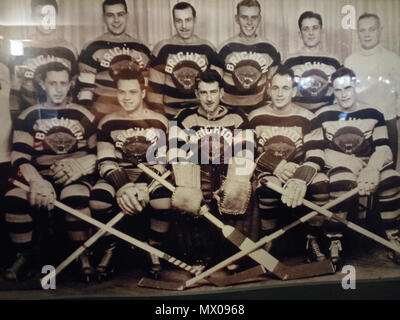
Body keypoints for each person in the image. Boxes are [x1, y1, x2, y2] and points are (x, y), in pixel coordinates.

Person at [291, 67, 400, 267]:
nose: (344, 95)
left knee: (392, 177)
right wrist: (301, 176)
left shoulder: (374, 113)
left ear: (356, 86)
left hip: (368, 170)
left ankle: (393, 238)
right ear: (333, 90)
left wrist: (372, 168)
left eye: (348, 88)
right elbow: (314, 152)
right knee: (343, 177)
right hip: (337, 169)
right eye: (339, 90)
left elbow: (384, 149)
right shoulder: (320, 115)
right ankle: (335, 240)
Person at [3, 62, 97, 282]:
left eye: (63, 83)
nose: (58, 89)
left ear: (71, 85)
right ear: (42, 85)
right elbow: (19, 156)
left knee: (74, 197)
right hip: (39, 176)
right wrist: (36, 181)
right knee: (13, 199)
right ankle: (24, 254)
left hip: (74, 175)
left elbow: (97, 152)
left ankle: (82, 253)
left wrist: (81, 166)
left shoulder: (84, 114)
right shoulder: (29, 115)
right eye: (52, 83)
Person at [89, 56, 171, 281]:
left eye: (132, 92)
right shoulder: (107, 121)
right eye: (122, 92)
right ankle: (110, 247)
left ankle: (153, 249)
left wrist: (145, 188)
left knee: (163, 199)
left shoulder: (159, 121)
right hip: (117, 175)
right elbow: (105, 160)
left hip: (149, 176)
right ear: (117, 93)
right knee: (98, 200)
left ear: (143, 93)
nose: (127, 98)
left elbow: (161, 163)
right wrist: (124, 187)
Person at [168, 68, 253, 271]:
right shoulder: (183, 117)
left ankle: (231, 253)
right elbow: (176, 151)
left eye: (213, 92)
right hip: (197, 170)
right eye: (203, 92)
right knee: (189, 195)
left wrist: (232, 179)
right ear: (196, 93)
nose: (208, 98)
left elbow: (245, 152)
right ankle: (200, 254)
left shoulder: (237, 116)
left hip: (227, 169)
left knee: (236, 190)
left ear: (221, 93)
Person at [248, 65, 329, 263]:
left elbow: (317, 153)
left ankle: (313, 239)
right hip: (268, 171)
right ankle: (270, 239)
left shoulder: (308, 117)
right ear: (269, 89)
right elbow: (246, 154)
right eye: (275, 88)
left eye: (285, 88)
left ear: (294, 90)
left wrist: (300, 177)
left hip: (300, 171)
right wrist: (276, 166)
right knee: (268, 187)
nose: (279, 93)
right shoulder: (254, 117)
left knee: (321, 184)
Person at [77, 0, 151, 120]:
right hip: (102, 117)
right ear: (104, 18)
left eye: (120, 14)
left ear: (127, 15)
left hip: (135, 119)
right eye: (110, 15)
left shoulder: (142, 49)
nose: (116, 20)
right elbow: (85, 92)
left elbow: (146, 91)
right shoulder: (92, 48)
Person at [147, 2, 221, 118]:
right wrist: (162, 120)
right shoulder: (162, 48)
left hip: (200, 116)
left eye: (188, 20)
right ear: (174, 22)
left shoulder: (207, 48)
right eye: (179, 21)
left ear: (195, 20)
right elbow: (154, 93)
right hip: (170, 115)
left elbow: (215, 91)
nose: (184, 26)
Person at [344, 13, 400, 168]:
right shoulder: (350, 61)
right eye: (362, 30)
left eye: (372, 29)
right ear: (358, 33)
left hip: (388, 123)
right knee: (362, 169)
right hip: (361, 123)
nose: (367, 34)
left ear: (380, 30)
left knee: (388, 173)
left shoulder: (393, 59)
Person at [9, 0, 78, 116]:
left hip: (61, 115)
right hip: (29, 113)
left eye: (50, 16)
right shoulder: (21, 47)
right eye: (41, 16)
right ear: (32, 17)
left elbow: (74, 88)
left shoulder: (69, 49)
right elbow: (14, 91)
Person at [217, 0, 281, 113]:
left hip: (259, 109)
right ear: (237, 19)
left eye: (254, 17)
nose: (249, 22)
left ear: (260, 18)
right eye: (244, 17)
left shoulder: (270, 48)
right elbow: (214, 83)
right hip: (229, 110)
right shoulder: (224, 48)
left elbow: (275, 85)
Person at [284, 11, 341, 113]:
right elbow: (284, 92)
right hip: (298, 116)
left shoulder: (334, 61)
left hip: (326, 116)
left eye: (315, 28)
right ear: (300, 33)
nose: (311, 33)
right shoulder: (290, 60)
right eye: (306, 29)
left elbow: (340, 93)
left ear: (321, 31)